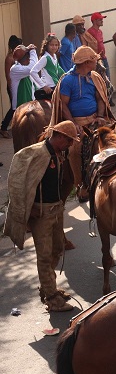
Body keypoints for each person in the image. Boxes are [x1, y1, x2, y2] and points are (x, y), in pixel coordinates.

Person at [3, 121, 80, 313]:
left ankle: (49, 287)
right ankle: (52, 299)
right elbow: (17, 182)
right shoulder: (34, 153)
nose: (70, 145)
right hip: (41, 213)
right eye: (69, 141)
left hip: (56, 210)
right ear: (60, 136)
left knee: (56, 249)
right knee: (44, 256)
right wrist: (28, 210)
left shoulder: (58, 154)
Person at [49, 46, 115, 200]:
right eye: (93, 61)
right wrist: (73, 124)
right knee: (74, 150)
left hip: (94, 118)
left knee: (114, 138)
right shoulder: (67, 80)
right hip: (77, 122)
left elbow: (100, 99)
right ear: (86, 63)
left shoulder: (95, 77)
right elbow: (63, 104)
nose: (96, 63)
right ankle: (80, 185)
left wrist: (100, 116)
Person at [9, 45, 47, 111]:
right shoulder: (15, 69)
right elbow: (33, 67)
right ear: (27, 57)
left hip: (29, 106)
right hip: (20, 108)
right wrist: (32, 51)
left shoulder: (25, 70)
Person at [1, 35, 24, 137]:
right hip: (12, 85)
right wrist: (11, 88)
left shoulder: (18, 56)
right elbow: (8, 76)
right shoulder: (9, 58)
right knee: (14, 107)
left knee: (20, 106)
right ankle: (3, 127)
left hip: (20, 85)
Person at [85, 12, 109, 77]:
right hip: (97, 59)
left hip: (103, 57)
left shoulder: (100, 31)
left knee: (107, 78)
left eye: (102, 19)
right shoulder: (90, 32)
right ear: (94, 21)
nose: (102, 21)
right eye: (100, 19)